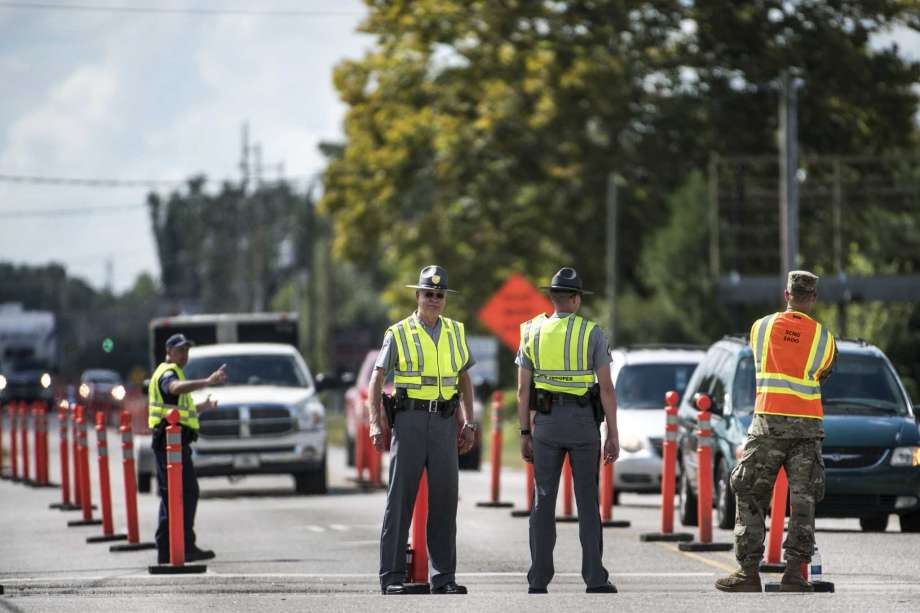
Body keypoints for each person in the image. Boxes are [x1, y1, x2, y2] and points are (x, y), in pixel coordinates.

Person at [715, 270, 837, 593]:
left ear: (786, 295)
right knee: (804, 499)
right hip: (807, 428)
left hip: (767, 424)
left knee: (749, 490)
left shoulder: (761, 327)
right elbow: (824, 371)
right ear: (813, 298)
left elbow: (756, 355)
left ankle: (748, 572)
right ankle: (795, 574)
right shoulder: (824, 338)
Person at [368, 265, 478, 595]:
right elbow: (377, 378)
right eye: (428, 294)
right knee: (400, 500)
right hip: (410, 421)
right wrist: (376, 421)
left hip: (444, 423)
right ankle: (392, 577)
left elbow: (464, 378)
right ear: (417, 296)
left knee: (445, 501)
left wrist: (469, 421)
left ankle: (443, 578)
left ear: (445, 299)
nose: (434, 299)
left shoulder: (456, 332)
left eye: (439, 295)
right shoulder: (398, 333)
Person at [516, 266, 620, 594]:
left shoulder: (531, 331)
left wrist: (524, 432)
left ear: (553, 298)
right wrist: (613, 434)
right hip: (582, 425)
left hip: (545, 423)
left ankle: (538, 579)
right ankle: (594, 578)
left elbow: (521, 391)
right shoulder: (593, 333)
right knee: (588, 502)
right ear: (575, 300)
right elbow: (606, 389)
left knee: (543, 499)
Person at [149, 333, 227, 565]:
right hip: (168, 442)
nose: (185, 354)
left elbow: (178, 410)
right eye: (180, 350)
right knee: (176, 495)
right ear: (169, 351)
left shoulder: (174, 372)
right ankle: (173, 549)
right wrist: (207, 381)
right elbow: (173, 388)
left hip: (176, 442)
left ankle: (180, 547)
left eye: (187, 350)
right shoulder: (168, 373)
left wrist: (203, 406)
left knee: (181, 494)